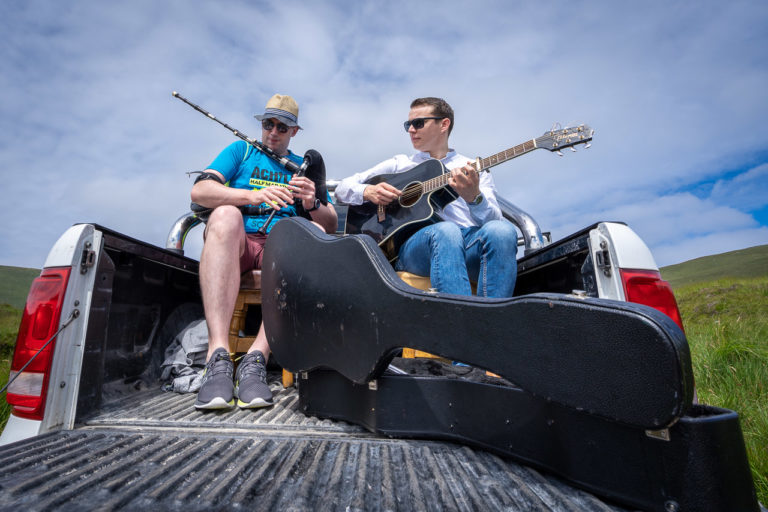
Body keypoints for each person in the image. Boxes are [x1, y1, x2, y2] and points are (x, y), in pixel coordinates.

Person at [191, 94, 337, 410]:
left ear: (294, 131)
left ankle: (257, 357)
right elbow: (200, 191)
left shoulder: (303, 167)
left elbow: (331, 222)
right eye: (268, 124)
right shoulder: (241, 151)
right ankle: (217, 356)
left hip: (280, 247)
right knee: (225, 214)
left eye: (281, 127)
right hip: (240, 242)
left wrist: (311, 203)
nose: (273, 131)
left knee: (313, 232)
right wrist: (252, 196)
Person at [335, 97, 517, 298]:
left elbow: (493, 224)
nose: (411, 130)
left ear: (444, 124)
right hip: (416, 249)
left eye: (418, 123)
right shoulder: (400, 164)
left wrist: (475, 198)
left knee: (503, 231)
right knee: (447, 231)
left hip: (468, 243)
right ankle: (462, 318)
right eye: (408, 125)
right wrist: (368, 191)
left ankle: (493, 319)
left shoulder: (472, 167)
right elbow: (342, 188)